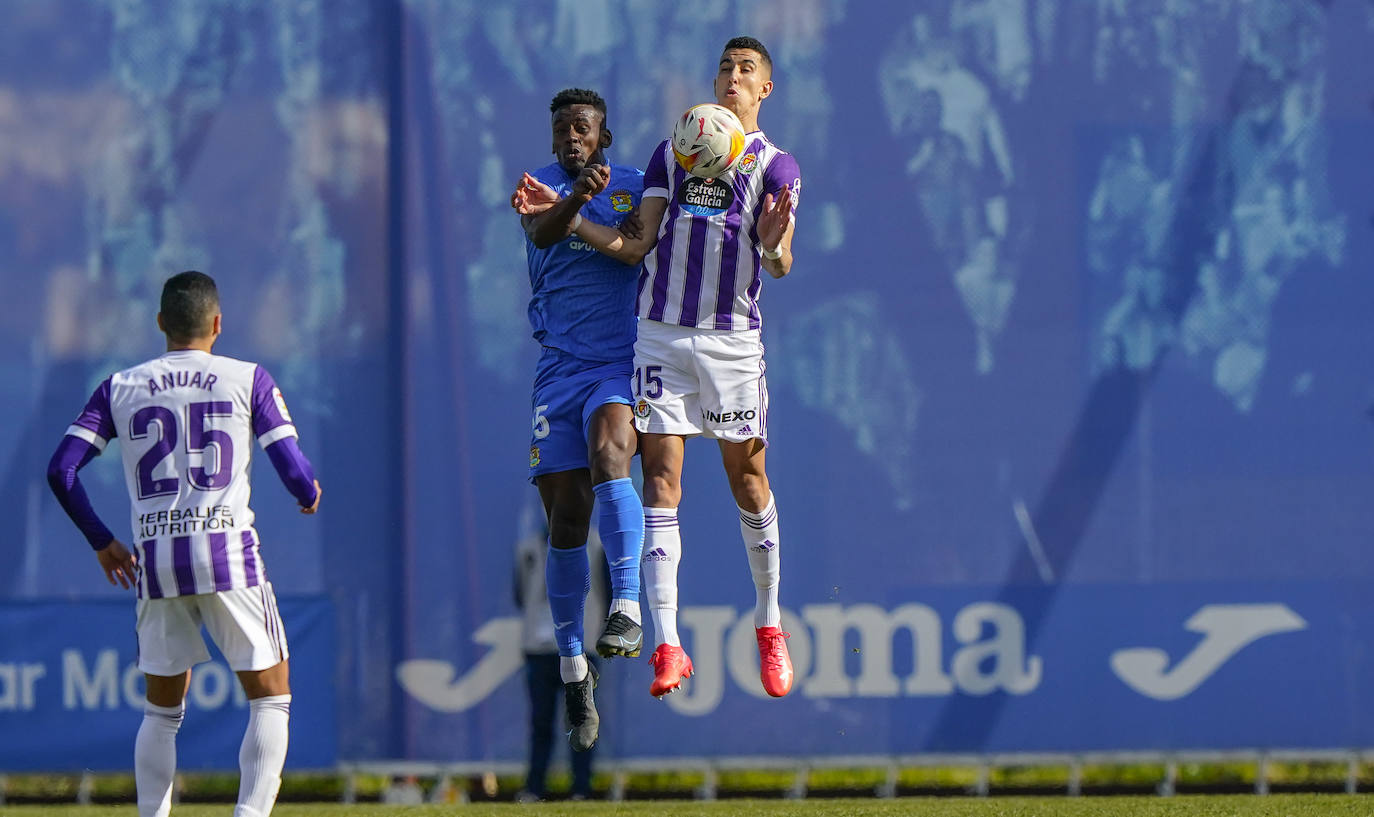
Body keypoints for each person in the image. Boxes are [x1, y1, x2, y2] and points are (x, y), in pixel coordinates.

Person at [533, 36, 801, 699]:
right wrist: (573, 226)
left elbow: (782, 259)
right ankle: (669, 645)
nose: (731, 77)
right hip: (661, 338)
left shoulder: (777, 164)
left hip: (733, 341)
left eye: (746, 71)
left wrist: (770, 246)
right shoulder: (671, 152)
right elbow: (638, 243)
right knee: (661, 479)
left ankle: (769, 625)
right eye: (724, 68)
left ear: (764, 89)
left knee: (749, 477)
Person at [45, 271, 322, 817]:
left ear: (160, 324)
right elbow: (292, 468)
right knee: (271, 695)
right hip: (228, 555)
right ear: (217, 323)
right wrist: (308, 490)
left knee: (162, 711)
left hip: (157, 560)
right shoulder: (246, 378)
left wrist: (102, 540)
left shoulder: (121, 385)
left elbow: (62, 470)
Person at [508, 88, 647, 751]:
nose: (571, 136)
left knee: (611, 452)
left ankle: (626, 604)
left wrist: (595, 198)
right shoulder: (536, 190)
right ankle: (571, 667)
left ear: (603, 134)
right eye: (562, 127)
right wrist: (573, 196)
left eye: (582, 127)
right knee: (565, 517)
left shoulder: (632, 187)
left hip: (617, 364)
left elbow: (638, 247)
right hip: (557, 372)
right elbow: (541, 230)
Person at [512, 517, 608, 801]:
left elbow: (608, 590)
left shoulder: (594, 545)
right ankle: (535, 786)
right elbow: (520, 594)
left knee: (582, 721)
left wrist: (595, 630)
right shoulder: (529, 547)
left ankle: (581, 787)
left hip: (581, 647)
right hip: (539, 648)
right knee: (540, 721)